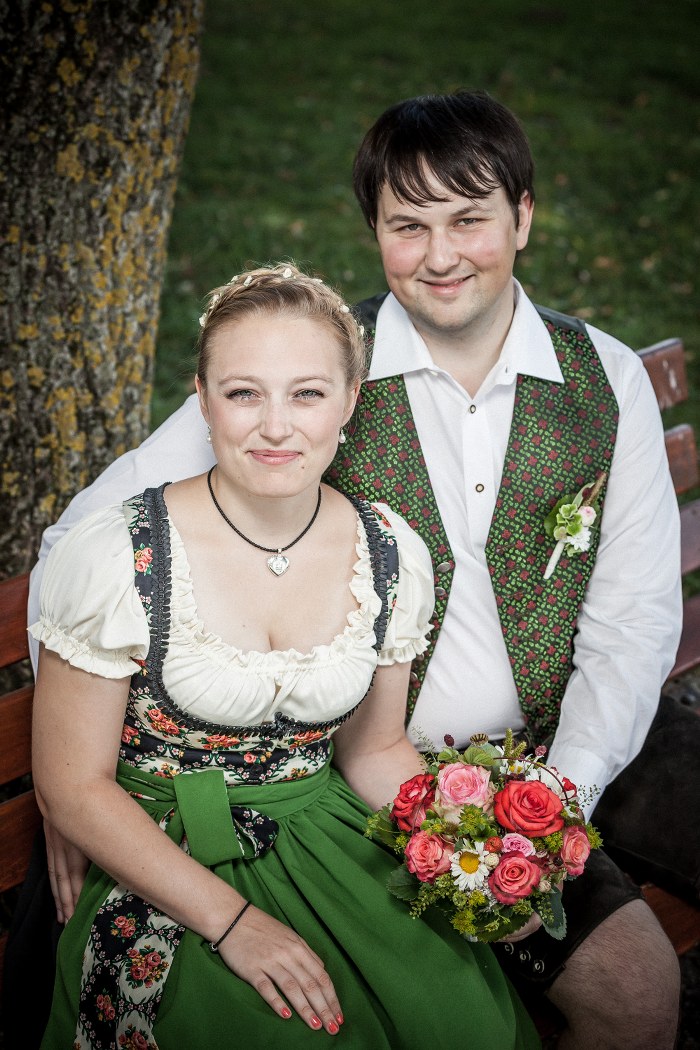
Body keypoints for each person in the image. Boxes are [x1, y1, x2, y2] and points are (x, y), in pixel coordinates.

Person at [20, 91, 683, 1049]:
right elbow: (84, 543)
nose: (440, 255)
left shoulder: (603, 381)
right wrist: (71, 778)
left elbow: (633, 625)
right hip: (348, 787)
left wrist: (550, 810)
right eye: (407, 226)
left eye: (469, 219)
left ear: (524, 216)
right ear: (374, 231)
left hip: (531, 776)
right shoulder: (314, 375)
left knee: (637, 994)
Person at [28, 263, 540, 1049]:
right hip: (163, 863)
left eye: (306, 394)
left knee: (454, 1017)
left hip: (326, 837)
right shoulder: (118, 557)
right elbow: (74, 787)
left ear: (349, 400)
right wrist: (235, 924)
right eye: (244, 394)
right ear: (203, 401)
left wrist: (468, 854)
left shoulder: (386, 551)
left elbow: (374, 750)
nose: (276, 427)